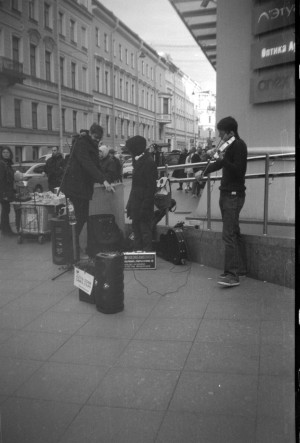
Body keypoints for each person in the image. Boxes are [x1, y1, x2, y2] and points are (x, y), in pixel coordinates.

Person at [201, 116, 248, 287]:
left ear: (231, 132)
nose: (221, 138)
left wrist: (221, 158)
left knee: (228, 235)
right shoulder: (230, 144)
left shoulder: (239, 145)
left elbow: (238, 170)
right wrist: (204, 171)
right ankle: (240, 269)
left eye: (222, 134)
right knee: (234, 232)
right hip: (227, 193)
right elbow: (221, 165)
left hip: (233, 194)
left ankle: (232, 275)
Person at [61, 123, 115, 259]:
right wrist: (103, 180)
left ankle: (73, 249)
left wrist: (107, 179)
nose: (97, 141)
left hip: (81, 189)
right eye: (95, 138)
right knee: (76, 220)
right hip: (75, 189)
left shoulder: (91, 144)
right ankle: (70, 252)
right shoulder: (81, 143)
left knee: (81, 218)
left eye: (99, 139)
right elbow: (88, 164)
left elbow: (96, 166)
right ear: (90, 133)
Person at [126, 135, 158, 251]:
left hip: (143, 202)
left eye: (131, 150)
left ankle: (146, 254)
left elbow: (151, 187)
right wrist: (130, 205)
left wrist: (144, 206)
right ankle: (138, 251)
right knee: (136, 228)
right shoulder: (139, 160)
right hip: (137, 202)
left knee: (144, 230)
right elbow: (135, 187)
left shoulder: (148, 162)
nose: (130, 153)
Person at [0, 146, 20, 236]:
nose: (6, 154)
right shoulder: (2, 164)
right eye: (4, 152)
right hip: (4, 191)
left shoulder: (7, 163)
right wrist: (3, 193)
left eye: (7, 152)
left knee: (6, 210)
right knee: (5, 210)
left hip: (8, 190)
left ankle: (6, 229)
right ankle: (6, 230)